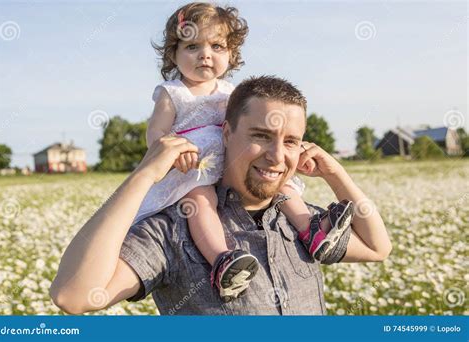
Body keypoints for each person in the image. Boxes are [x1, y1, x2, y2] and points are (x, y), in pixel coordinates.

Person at [50, 75, 392, 315]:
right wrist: (144, 175)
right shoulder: (177, 227)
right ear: (225, 133)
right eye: (261, 135)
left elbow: (378, 248)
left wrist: (336, 173)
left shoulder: (303, 222)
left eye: (290, 141)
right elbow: (73, 295)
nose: (277, 155)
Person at [132, 2, 354, 301]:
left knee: (284, 186)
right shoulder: (174, 93)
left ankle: (311, 232)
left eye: (217, 46)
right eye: (192, 46)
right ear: (173, 54)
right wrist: (171, 154)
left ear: (231, 55)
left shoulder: (231, 93)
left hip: (232, 161)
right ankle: (222, 259)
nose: (205, 55)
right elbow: (156, 133)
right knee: (200, 201)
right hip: (196, 164)